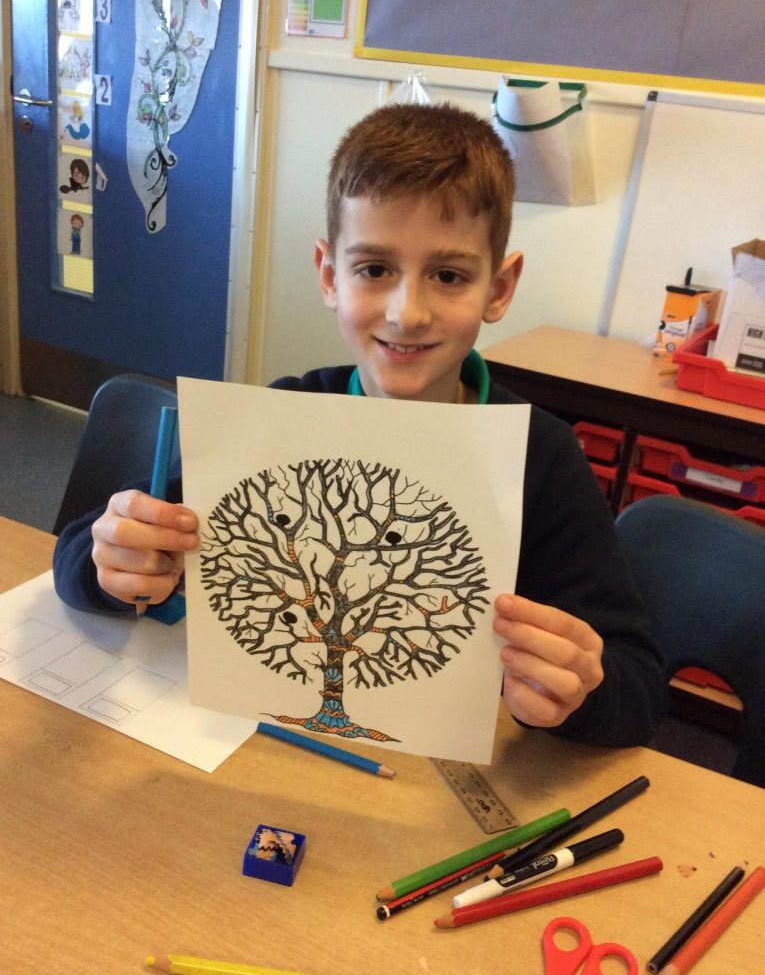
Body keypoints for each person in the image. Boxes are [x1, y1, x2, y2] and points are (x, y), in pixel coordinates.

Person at [53, 102, 665, 747]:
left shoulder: (540, 455)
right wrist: (112, 563)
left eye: (449, 275)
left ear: (499, 288)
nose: (407, 313)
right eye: (374, 269)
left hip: (440, 773)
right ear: (329, 275)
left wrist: (580, 692)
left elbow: (638, 685)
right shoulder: (280, 420)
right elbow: (80, 553)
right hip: (266, 746)